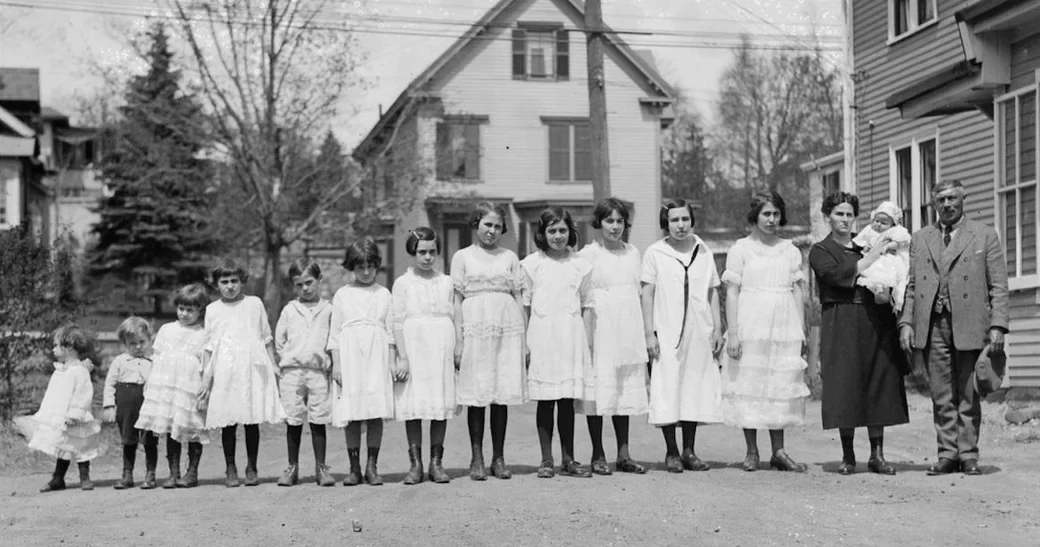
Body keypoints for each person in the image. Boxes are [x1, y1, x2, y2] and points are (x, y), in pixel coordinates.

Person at [898, 179, 1009, 476]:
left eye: (952, 198)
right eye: (940, 200)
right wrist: (907, 322)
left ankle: (969, 455)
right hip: (933, 325)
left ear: (963, 199)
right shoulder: (921, 238)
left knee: (969, 393)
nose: (946, 205)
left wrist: (998, 325)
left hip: (972, 324)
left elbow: (998, 285)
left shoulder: (984, 236)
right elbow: (911, 286)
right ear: (933, 204)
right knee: (941, 394)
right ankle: (947, 454)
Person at [809, 192, 909, 476]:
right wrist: (873, 257)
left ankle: (877, 454)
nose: (844, 219)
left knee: (879, 381)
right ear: (827, 216)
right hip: (841, 317)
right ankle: (848, 455)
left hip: (875, 316)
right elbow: (835, 277)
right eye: (838, 214)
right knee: (846, 384)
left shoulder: (865, 240)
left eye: (849, 214)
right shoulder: (821, 250)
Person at [721, 191, 811, 473]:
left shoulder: (790, 250)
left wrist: (801, 330)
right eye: (766, 214)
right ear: (755, 217)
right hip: (751, 322)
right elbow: (732, 293)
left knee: (779, 385)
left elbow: (797, 291)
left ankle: (779, 451)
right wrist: (733, 333)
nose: (772, 220)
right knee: (750, 382)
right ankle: (751, 451)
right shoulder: (741, 250)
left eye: (775, 214)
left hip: (784, 324)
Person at [641, 198, 724, 473]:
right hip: (667, 330)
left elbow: (712, 291)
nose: (680, 225)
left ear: (691, 221)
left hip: (699, 330)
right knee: (667, 387)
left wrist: (717, 329)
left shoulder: (703, 250)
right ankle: (671, 451)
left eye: (684, 219)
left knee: (692, 388)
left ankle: (689, 450)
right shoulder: (655, 252)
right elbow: (647, 293)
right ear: (666, 223)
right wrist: (649, 334)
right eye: (674, 220)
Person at [450, 201, 527, 481]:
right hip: (475, 328)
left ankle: (498, 457)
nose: (492, 231)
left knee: (500, 394)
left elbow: (519, 297)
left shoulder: (509, 257)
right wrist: (458, 340)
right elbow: (456, 301)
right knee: (478, 395)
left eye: (497, 226)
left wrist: (524, 338)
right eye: (487, 225)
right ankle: (476, 457)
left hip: (506, 329)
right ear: (476, 225)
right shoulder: (462, 257)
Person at [577, 198, 649, 475]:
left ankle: (624, 454)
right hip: (600, 325)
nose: (615, 226)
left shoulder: (632, 253)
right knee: (599, 389)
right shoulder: (588, 255)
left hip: (627, 325)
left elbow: (638, 294)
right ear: (599, 223)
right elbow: (584, 298)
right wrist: (587, 337)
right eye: (609, 221)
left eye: (620, 221)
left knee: (622, 389)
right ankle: (598, 453)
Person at [198, 259, 285, 487]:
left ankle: (252, 467)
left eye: (234, 281)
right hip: (225, 368)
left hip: (250, 367)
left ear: (242, 282)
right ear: (217, 284)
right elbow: (209, 346)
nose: (230, 286)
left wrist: (273, 364)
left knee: (250, 420)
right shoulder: (212, 310)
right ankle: (230, 467)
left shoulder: (254, 304)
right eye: (224, 282)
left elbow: (266, 338)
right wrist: (206, 377)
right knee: (229, 420)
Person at [522, 207, 594, 479]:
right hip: (542, 335)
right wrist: (525, 343)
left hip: (571, 336)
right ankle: (546, 460)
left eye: (562, 230)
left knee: (566, 400)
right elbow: (525, 305)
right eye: (551, 231)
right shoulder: (532, 264)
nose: (558, 236)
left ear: (570, 232)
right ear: (542, 233)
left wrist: (586, 342)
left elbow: (587, 304)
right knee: (546, 400)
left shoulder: (580, 264)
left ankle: (569, 459)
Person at [392, 227, 459, 485]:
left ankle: (436, 463)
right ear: (413, 252)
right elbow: (397, 322)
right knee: (414, 406)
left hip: (441, 344)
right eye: (422, 252)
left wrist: (455, 348)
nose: (428, 257)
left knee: (439, 405)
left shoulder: (446, 282)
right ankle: (416, 464)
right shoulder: (403, 283)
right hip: (414, 345)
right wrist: (403, 356)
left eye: (432, 252)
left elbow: (454, 316)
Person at [329, 239, 396, 486]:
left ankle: (372, 466)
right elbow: (334, 335)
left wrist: (391, 362)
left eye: (370, 266)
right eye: (360, 267)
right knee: (353, 413)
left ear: (377, 265)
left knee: (375, 412)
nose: (366, 272)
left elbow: (390, 334)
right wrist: (336, 364)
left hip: (376, 358)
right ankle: (354, 467)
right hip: (350, 358)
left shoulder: (384, 293)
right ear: (352, 267)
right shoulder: (343, 295)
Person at [134, 284, 210, 489]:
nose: (185, 314)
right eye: (181, 309)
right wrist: (149, 383)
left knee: (191, 425)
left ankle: (192, 471)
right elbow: (156, 358)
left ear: (200, 310)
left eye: (190, 310)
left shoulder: (203, 334)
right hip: (166, 385)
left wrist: (205, 388)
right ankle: (173, 473)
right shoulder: (167, 330)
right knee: (170, 426)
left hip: (189, 386)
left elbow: (206, 364)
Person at [274, 258, 335, 487]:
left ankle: (321, 467)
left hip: (318, 372)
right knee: (293, 418)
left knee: (318, 419)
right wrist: (289, 358)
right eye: (299, 285)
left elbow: (332, 339)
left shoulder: (328, 309)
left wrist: (328, 361)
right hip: (292, 371)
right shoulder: (290, 310)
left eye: (309, 282)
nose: (305, 289)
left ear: (319, 281)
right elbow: (280, 341)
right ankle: (292, 467)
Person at [29, 324, 101, 492]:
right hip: (62, 417)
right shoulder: (61, 370)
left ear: (68, 348)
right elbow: (56, 394)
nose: (53, 349)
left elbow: (82, 394)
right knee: (63, 446)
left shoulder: (79, 371)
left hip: (75, 417)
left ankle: (85, 477)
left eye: (56, 346)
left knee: (81, 445)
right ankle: (58, 478)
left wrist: (75, 414)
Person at [103, 316, 159, 490]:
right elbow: (110, 384)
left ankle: (150, 474)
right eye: (132, 343)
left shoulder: (155, 360)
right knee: (128, 440)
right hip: (127, 405)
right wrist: (109, 406)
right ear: (125, 343)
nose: (138, 347)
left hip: (148, 404)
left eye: (142, 342)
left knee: (150, 440)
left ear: (149, 339)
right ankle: (127, 474)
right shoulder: (120, 361)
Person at [852, 201, 912, 311]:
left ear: (892, 224)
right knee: (873, 279)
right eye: (877, 221)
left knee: (887, 277)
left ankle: (886, 297)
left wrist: (889, 246)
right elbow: (862, 240)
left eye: (883, 223)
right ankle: (878, 294)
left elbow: (903, 242)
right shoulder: (869, 229)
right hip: (873, 260)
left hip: (889, 258)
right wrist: (865, 247)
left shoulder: (894, 231)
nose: (878, 225)